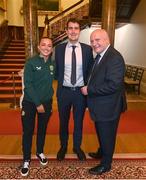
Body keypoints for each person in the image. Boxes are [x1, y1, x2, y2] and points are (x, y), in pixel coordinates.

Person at [81, 29, 127, 175]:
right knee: (101, 132)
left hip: (109, 106)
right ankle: (102, 151)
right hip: (101, 105)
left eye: (98, 40)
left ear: (107, 40)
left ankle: (106, 164)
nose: (94, 44)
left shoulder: (114, 57)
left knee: (107, 134)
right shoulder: (101, 56)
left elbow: (113, 85)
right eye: (92, 41)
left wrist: (90, 90)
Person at [55, 18, 93, 161]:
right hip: (64, 91)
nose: (73, 31)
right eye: (70, 28)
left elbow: (90, 70)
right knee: (63, 122)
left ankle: (77, 147)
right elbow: (57, 70)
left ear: (79, 31)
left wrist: (87, 86)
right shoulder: (58, 49)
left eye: (76, 28)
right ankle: (63, 146)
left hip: (80, 93)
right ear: (66, 31)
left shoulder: (87, 49)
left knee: (78, 122)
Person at [20, 37, 55, 176]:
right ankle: (26, 159)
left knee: (42, 129)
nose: (46, 47)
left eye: (49, 45)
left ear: (52, 48)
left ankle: (39, 151)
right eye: (43, 45)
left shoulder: (52, 64)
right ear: (39, 47)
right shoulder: (31, 62)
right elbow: (28, 85)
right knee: (28, 131)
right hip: (30, 103)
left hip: (46, 103)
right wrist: (38, 104)